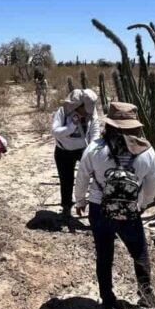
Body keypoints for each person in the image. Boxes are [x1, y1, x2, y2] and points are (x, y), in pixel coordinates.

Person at [74, 101, 155, 309]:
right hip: (130, 211)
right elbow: (152, 186)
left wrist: (80, 201)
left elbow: (82, 178)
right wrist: (142, 204)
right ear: (135, 126)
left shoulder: (95, 148)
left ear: (110, 124)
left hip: (99, 209)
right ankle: (146, 297)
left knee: (104, 256)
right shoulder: (148, 151)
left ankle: (107, 303)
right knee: (139, 253)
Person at [52, 89, 101, 220]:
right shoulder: (63, 111)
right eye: (84, 109)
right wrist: (72, 126)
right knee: (66, 179)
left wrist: (93, 151)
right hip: (63, 151)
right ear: (77, 106)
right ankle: (66, 207)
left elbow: (95, 132)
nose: (86, 113)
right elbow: (55, 132)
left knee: (95, 176)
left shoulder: (92, 112)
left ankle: (96, 205)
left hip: (84, 150)